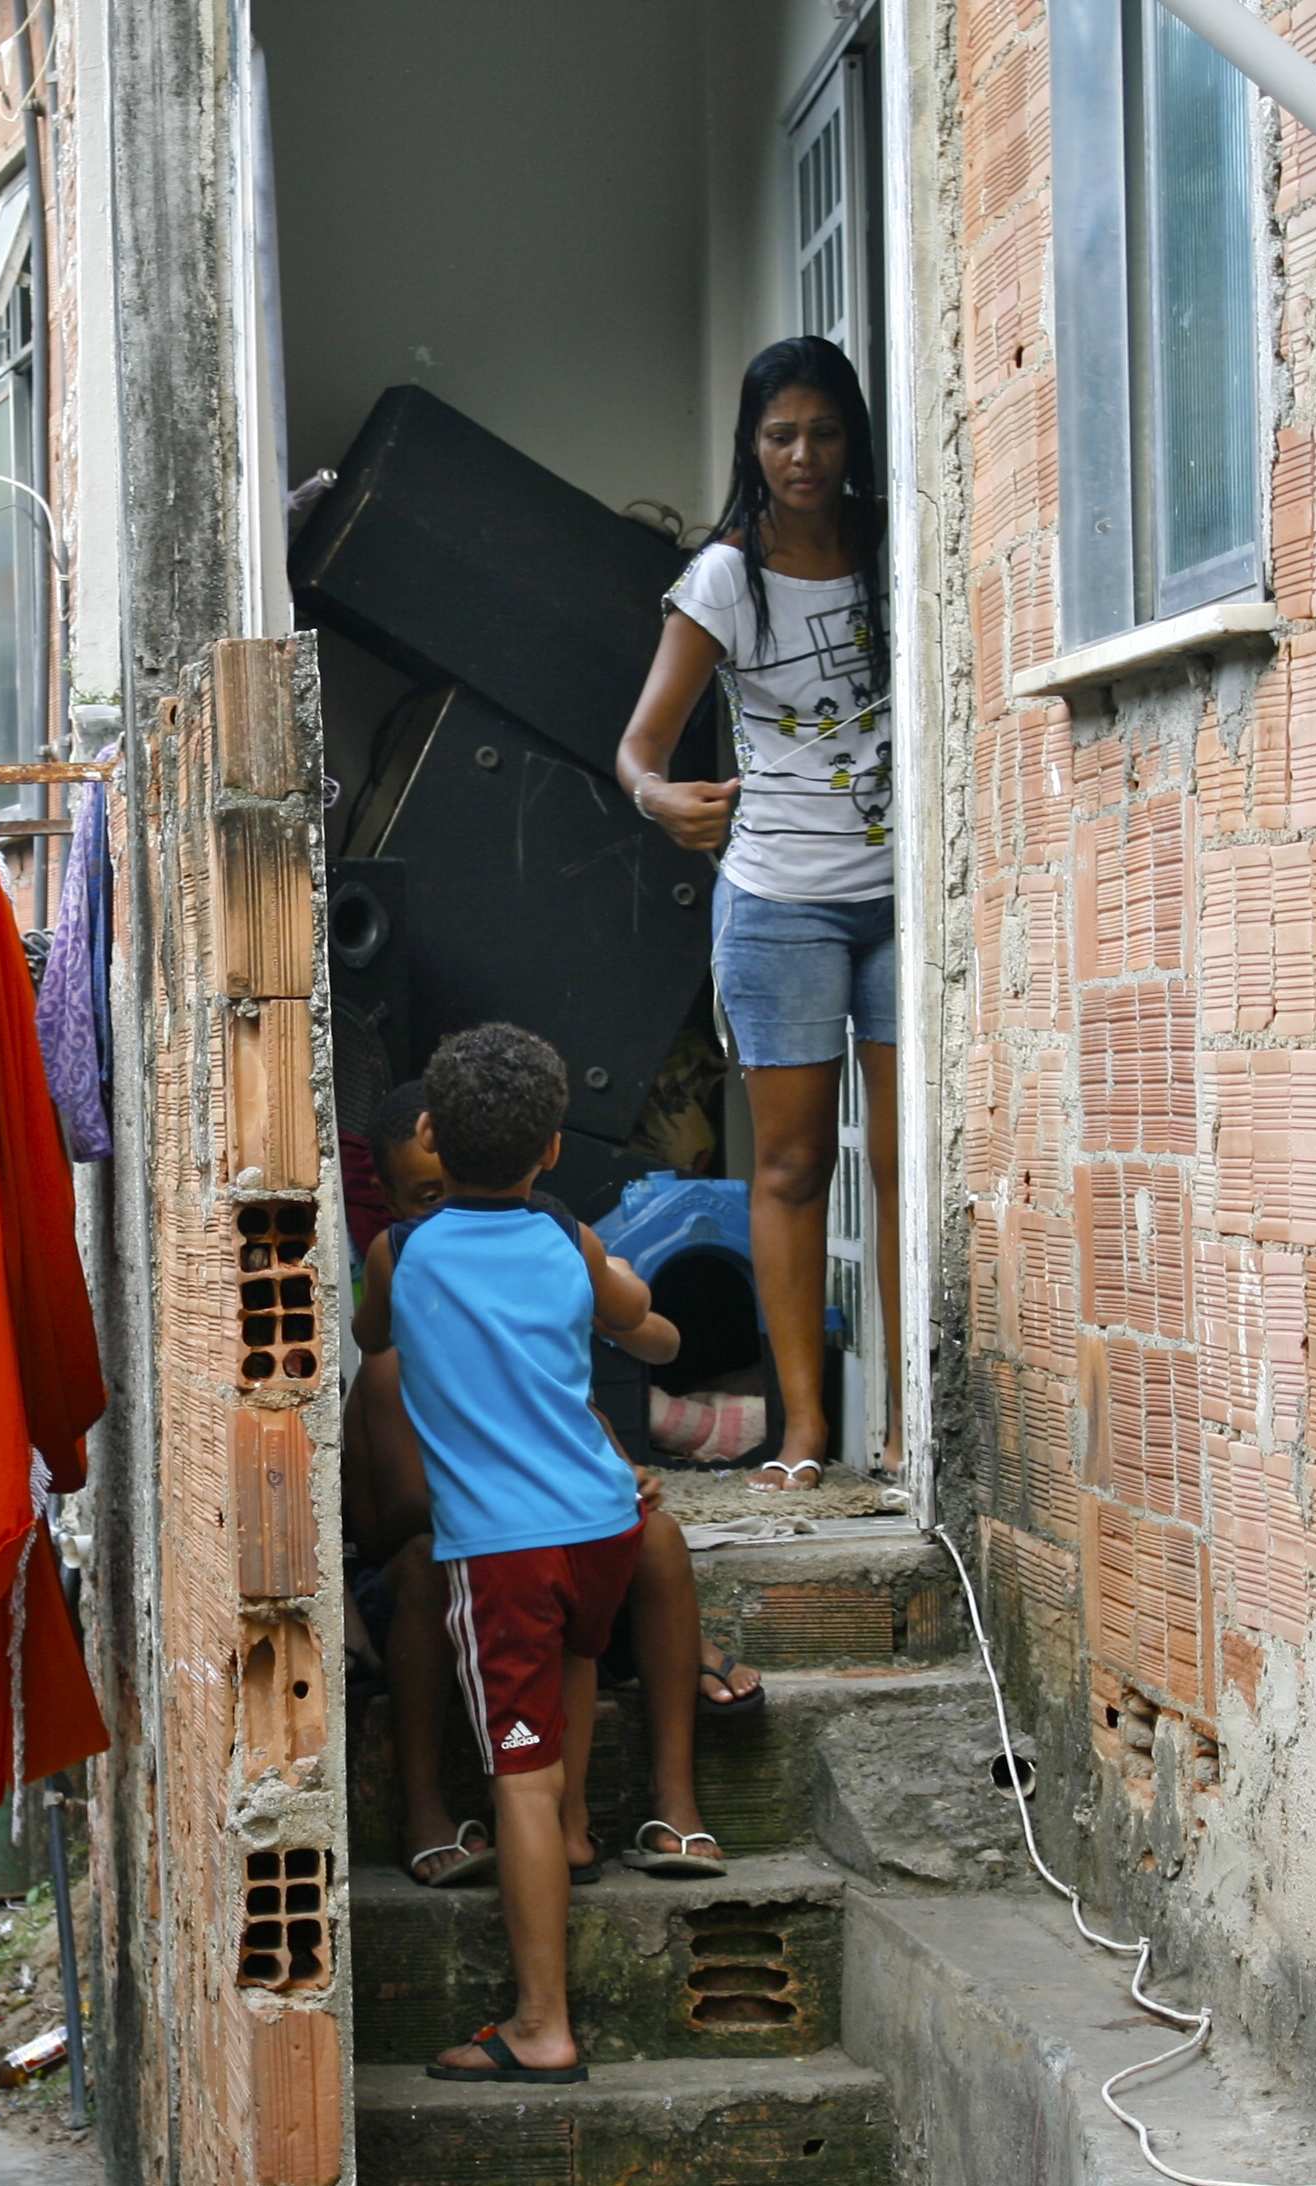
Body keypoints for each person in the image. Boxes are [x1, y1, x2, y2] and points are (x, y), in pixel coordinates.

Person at [346, 1082, 757, 1893]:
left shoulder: (543, 1274)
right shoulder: (395, 1342)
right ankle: (427, 1806)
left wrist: (605, 1478)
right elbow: (392, 1517)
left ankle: (674, 1800)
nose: (452, 1220)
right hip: (447, 1564)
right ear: (389, 1211)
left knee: (657, 1538)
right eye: (428, 1201)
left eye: (461, 1193)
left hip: (539, 1549)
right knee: (435, 1562)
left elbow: (636, 1352)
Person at [616, 335, 902, 1491]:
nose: (803, 455)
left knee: (900, 1160)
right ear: (751, 443)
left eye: (824, 433)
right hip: (780, 904)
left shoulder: (889, 545)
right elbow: (637, 747)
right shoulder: (726, 578)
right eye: (780, 434)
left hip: (900, 903)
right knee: (789, 1169)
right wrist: (659, 797)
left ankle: (902, 1419)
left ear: (852, 441)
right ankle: (804, 1431)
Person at [364, 1024, 656, 2086]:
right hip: (603, 1522)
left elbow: (369, 1335)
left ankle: (542, 2025)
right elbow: (640, 1321)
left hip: (507, 1553)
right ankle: (576, 1838)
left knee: (516, 1785)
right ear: (551, 1153)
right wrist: (647, 1322)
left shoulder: (400, 1255)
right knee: (578, 1662)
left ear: (432, 1134)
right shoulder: (572, 1236)